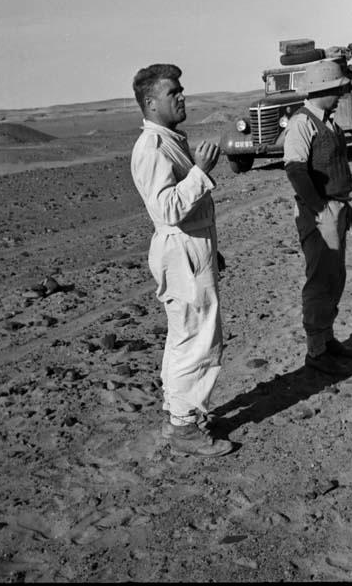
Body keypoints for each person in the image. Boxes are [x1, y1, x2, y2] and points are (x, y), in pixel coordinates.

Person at [130, 63, 232, 457]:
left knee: (186, 335)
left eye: (181, 89)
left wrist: (209, 247)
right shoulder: (152, 147)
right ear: (152, 104)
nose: (182, 96)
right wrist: (201, 172)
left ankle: (181, 413)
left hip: (190, 247)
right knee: (196, 338)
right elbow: (167, 208)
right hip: (180, 249)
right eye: (174, 92)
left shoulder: (170, 139)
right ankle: (184, 427)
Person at [283, 59, 352, 376]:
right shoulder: (303, 123)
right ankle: (316, 351)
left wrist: (345, 207)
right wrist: (319, 209)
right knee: (320, 280)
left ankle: (327, 340)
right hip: (319, 213)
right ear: (322, 90)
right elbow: (295, 170)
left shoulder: (329, 122)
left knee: (335, 277)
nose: (341, 95)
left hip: (335, 208)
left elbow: (336, 169)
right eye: (336, 89)